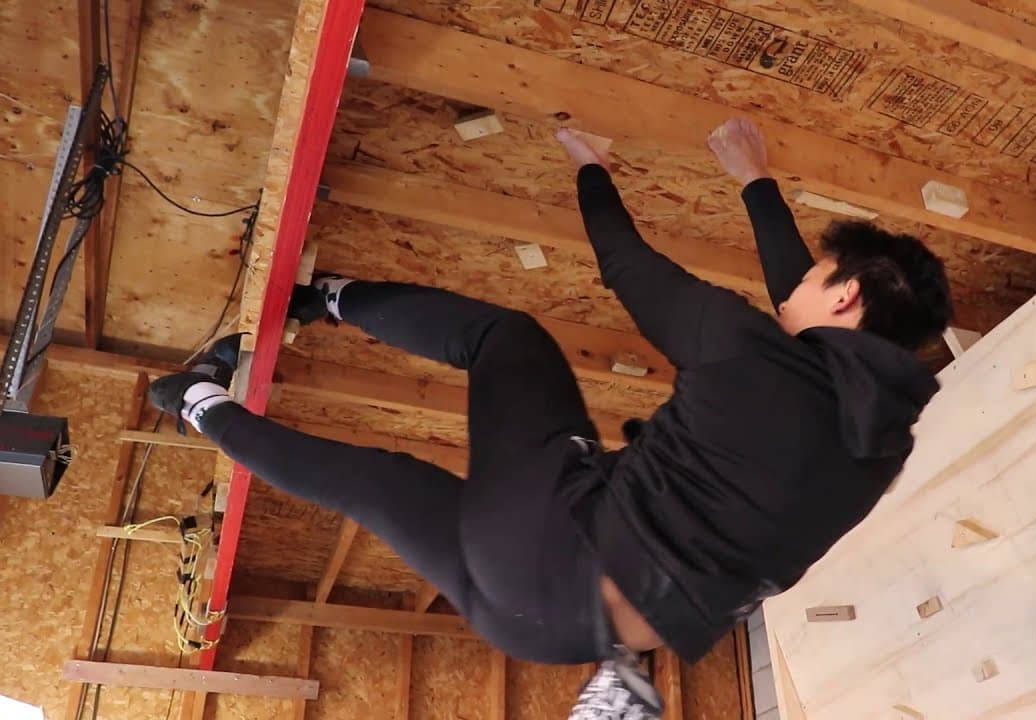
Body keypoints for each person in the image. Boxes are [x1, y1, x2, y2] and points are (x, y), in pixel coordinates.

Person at [148, 118, 951, 718]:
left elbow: (625, 263)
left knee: (508, 339)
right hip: (545, 632)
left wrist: (589, 165)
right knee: (384, 487)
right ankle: (195, 401)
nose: (794, 285)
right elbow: (809, 325)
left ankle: (319, 299)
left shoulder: (748, 350)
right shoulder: (880, 445)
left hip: (561, 546)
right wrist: (752, 180)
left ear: (844, 296)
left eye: (816, 275)